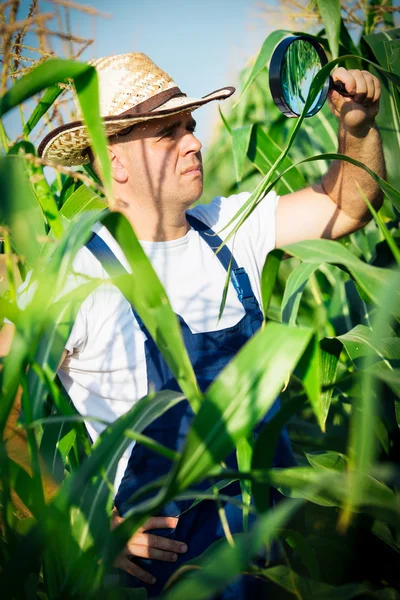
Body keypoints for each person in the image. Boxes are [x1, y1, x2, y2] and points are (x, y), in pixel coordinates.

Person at [1, 52, 384, 596]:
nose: (194, 142)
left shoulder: (231, 226)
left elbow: (346, 207)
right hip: (174, 577)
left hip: (277, 554)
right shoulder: (79, 272)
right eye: (168, 133)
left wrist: (357, 130)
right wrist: (81, 523)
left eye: (191, 126)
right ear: (116, 162)